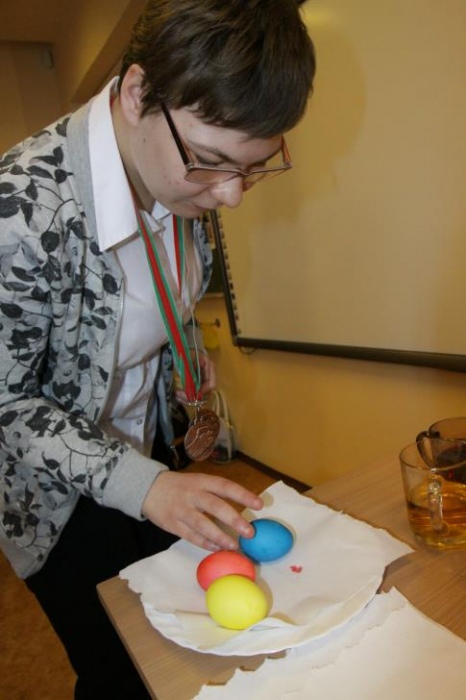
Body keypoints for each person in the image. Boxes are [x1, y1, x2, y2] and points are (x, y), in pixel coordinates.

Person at [0, 0, 316, 697]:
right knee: (121, 670)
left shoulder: (179, 177)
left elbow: (153, 300)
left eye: (255, 167)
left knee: (183, 644)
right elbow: (5, 403)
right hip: (56, 497)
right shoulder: (17, 211)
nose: (231, 196)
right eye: (212, 162)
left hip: (152, 458)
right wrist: (143, 486)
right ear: (139, 92)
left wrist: (181, 366)